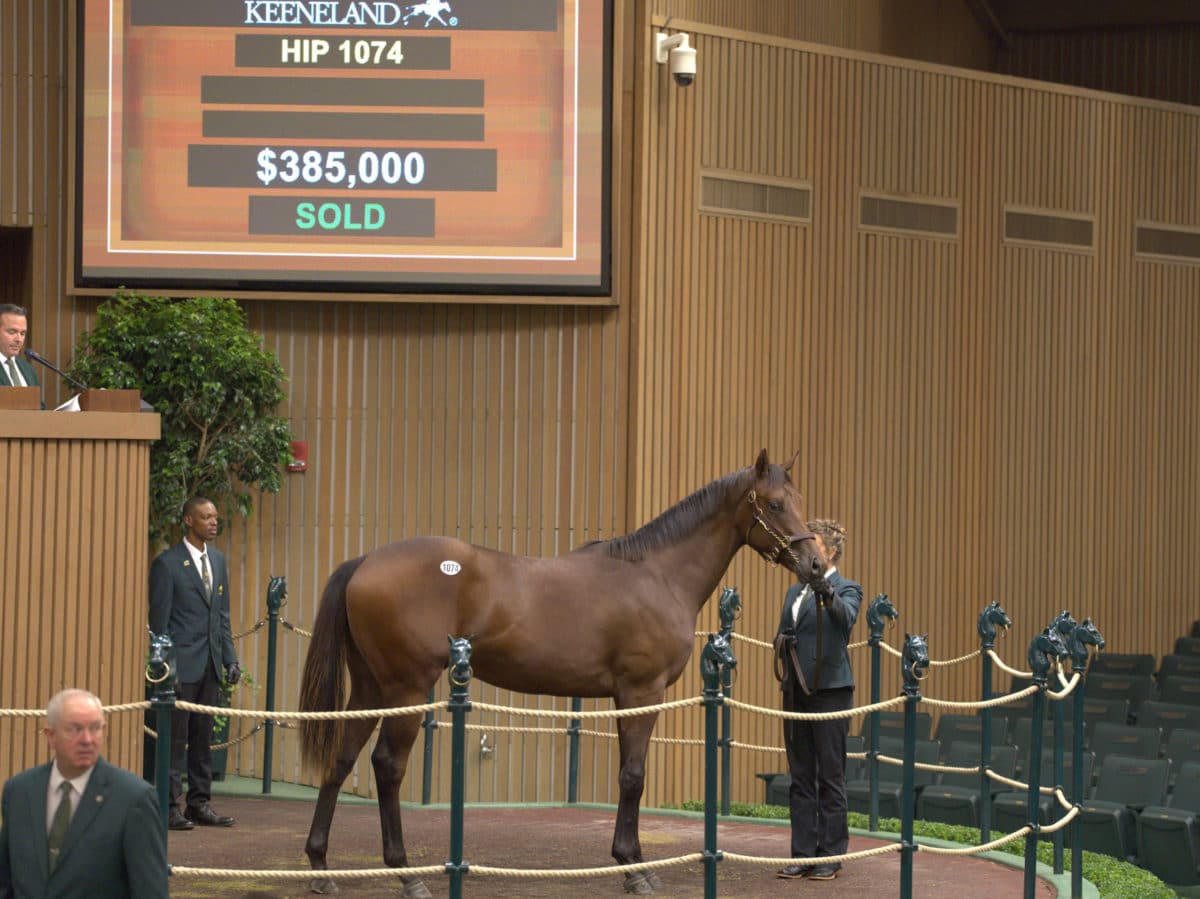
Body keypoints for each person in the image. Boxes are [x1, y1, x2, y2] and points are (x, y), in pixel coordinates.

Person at [0, 688, 168, 897]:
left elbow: (150, 890)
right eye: (74, 729)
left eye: (95, 728)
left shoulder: (134, 799)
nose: (87, 740)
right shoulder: (19, 792)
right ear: (50, 736)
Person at [773, 519, 863, 881]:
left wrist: (826, 590)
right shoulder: (794, 593)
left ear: (831, 552)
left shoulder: (848, 588)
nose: (806, 555)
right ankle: (802, 852)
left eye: (815, 548)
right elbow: (782, 632)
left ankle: (830, 854)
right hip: (795, 693)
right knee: (800, 777)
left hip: (830, 693)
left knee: (830, 775)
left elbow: (846, 619)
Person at [149, 496, 240, 830]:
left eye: (215, 517)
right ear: (189, 520)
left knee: (203, 738)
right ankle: (168, 806)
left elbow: (223, 617)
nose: (213, 522)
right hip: (181, 667)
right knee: (175, 738)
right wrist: (166, 667)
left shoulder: (217, 560)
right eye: (206, 517)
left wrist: (230, 659)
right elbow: (159, 623)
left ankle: (199, 804)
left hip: (211, 665)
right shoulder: (167, 564)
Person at [0, 303, 39, 391]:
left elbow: (39, 404)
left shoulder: (29, 369)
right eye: (12, 332)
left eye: (22, 333)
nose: (19, 339)